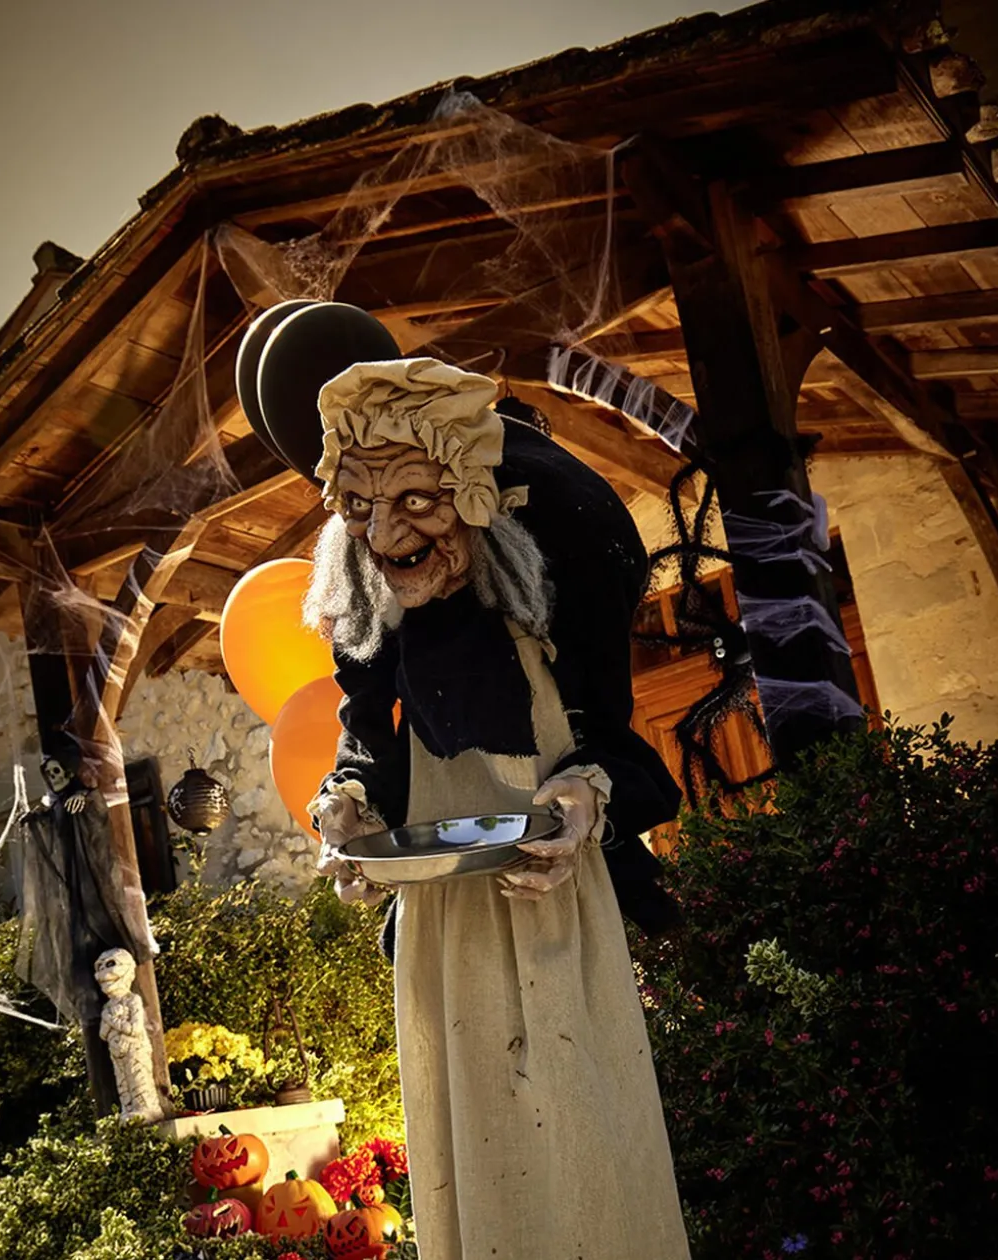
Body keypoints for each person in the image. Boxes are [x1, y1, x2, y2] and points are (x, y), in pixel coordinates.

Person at [306, 358, 690, 1260]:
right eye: (359, 506)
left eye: (416, 501)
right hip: (444, 929)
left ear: (475, 495)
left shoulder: (560, 576)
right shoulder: (379, 603)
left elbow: (620, 751)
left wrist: (582, 799)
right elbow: (368, 740)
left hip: (552, 905)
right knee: (473, 1142)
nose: (384, 533)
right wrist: (349, 811)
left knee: (580, 1132)